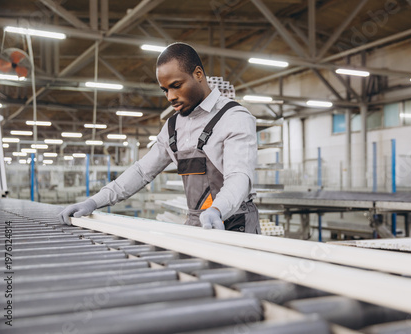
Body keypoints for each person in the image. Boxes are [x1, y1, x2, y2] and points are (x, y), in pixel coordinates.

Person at [59, 42, 260, 233]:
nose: (170, 97)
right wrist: (94, 202)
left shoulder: (234, 117)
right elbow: (141, 172)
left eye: (176, 85)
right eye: (165, 90)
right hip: (198, 222)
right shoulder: (173, 126)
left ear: (198, 74)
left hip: (236, 222)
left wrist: (217, 210)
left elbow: (239, 176)